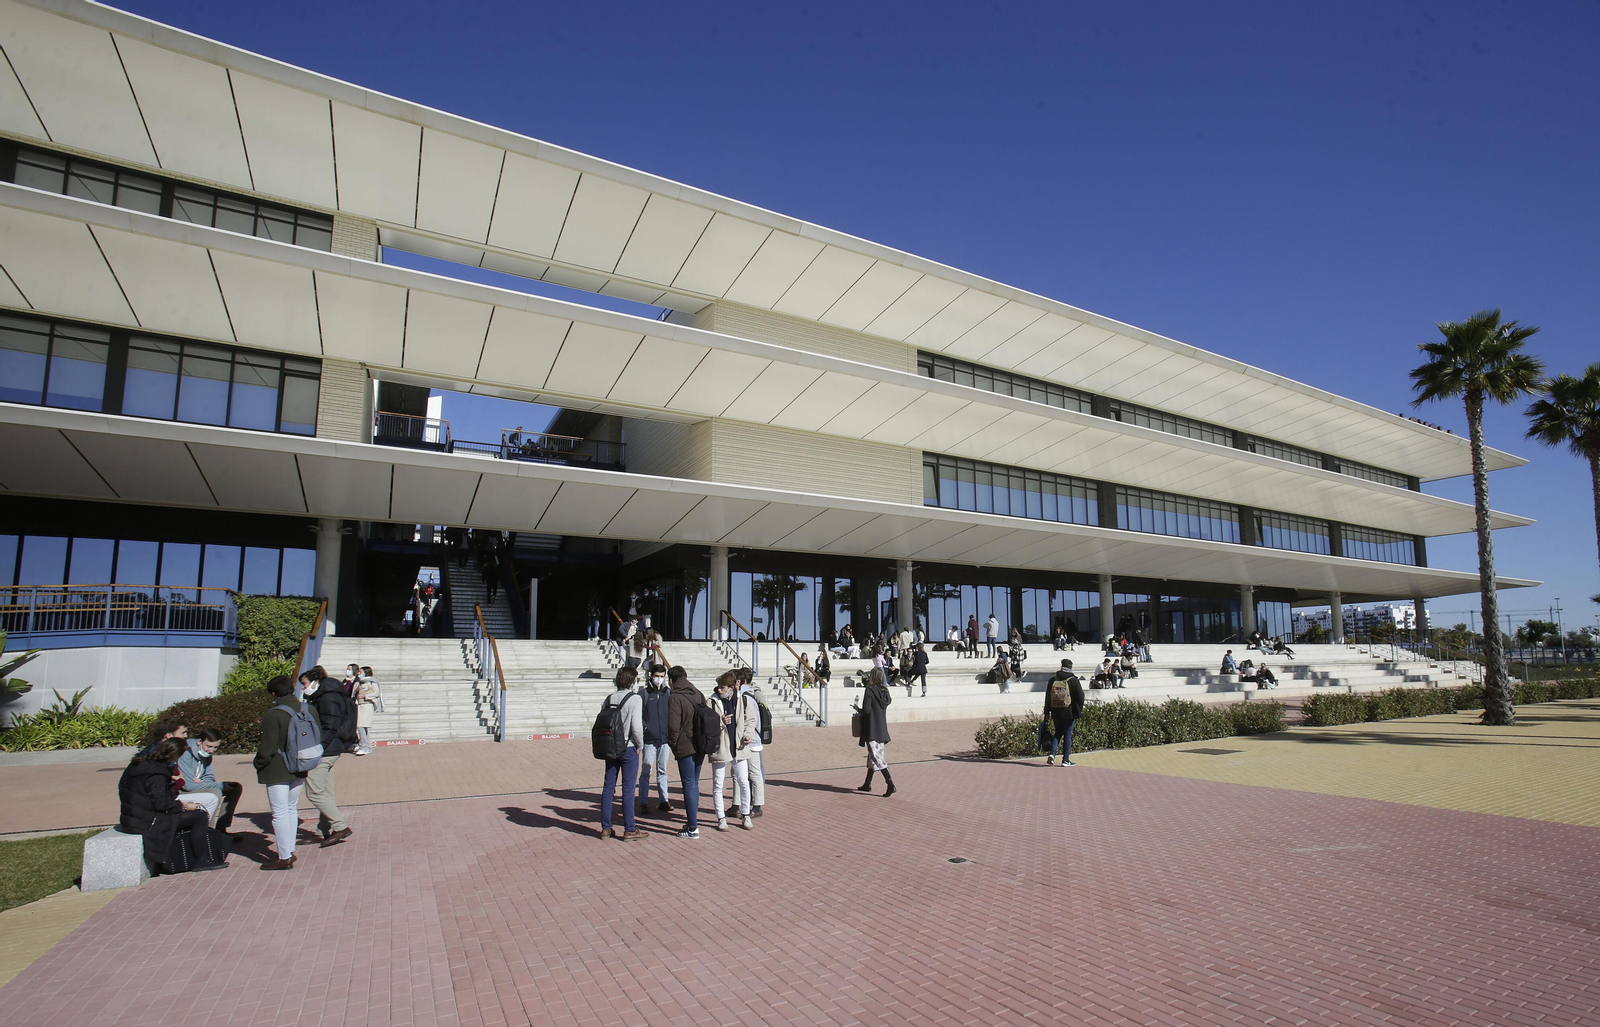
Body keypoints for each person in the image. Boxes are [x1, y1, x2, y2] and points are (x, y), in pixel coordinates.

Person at [118, 737, 227, 874]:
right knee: (199, 816)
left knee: (192, 815)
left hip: (133, 816)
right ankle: (201, 860)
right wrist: (184, 806)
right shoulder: (156, 774)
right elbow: (162, 804)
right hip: (146, 821)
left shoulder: (142, 764)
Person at [255, 674, 311, 870]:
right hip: (301, 764)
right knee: (291, 808)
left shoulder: (274, 714)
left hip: (278, 768)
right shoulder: (306, 709)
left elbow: (267, 748)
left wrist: (258, 763)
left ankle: (284, 856)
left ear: (273, 693)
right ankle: (289, 849)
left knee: (279, 811)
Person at [300, 667, 354, 848]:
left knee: (314, 791)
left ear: (315, 682)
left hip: (326, 749)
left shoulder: (327, 697)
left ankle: (340, 826)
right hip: (331, 748)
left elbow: (330, 724)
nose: (303, 688)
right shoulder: (328, 694)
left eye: (304, 684)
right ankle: (321, 830)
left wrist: (319, 747)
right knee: (325, 792)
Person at [598, 667, 646, 841]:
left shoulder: (609, 698)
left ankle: (605, 827)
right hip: (629, 746)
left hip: (611, 747)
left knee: (608, 787)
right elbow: (636, 727)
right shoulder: (635, 699)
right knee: (628, 789)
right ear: (632, 681)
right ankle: (629, 828)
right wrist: (640, 744)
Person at [707, 671, 754, 832]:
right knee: (718, 784)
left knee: (743, 782)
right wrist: (720, 721)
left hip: (738, 746)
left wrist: (748, 734)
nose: (719, 690)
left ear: (732, 687)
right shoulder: (712, 701)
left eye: (723, 687)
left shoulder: (743, 699)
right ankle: (721, 818)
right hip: (720, 747)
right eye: (719, 687)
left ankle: (746, 814)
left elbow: (750, 720)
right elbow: (707, 724)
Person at [666, 666, 706, 839]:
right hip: (701, 744)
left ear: (671, 680)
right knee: (694, 783)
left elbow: (673, 726)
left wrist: (673, 745)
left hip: (685, 745)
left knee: (688, 785)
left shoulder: (675, 697)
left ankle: (692, 827)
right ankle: (692, 820)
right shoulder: (698, 694)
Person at [176, 729, 242, 831]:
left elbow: (210, 777)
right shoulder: (186, 754)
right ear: (199, 742)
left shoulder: (207, 755)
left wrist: (203, 782)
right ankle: (208, 829)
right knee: (216, 792)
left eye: (215, 747)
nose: (211, 751)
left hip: (198, 785)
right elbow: (188, 785)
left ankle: (221, 828)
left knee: (235, 787)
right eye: (209, 746)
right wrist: (220, 786)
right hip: (183, 790)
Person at [636, 664, 673, 817]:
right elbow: (639, 715)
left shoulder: (668, 693)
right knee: (646, 769)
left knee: (662, 770)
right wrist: (645, 728)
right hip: (649, 739)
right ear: (651, 676)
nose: (659, 679)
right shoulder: (644, 693)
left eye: (662, 676)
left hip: (665, 739)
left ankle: (664, 799)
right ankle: (643, 801)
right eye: (656, 676)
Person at [855, 668, 895, 796]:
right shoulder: (885, 691)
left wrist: (859, 710)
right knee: (873, 756)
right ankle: (867, 783)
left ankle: (890, 783)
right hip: (881, 728)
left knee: (877, 757)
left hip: (871, 728)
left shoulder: (869, 690)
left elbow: (867, 710)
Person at [1041, 660, 1086, 766]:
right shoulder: (1073, 680)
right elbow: (1080, 697)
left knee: (1057, 733)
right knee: (1067, 735)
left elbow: (1048, 697)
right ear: (1070, 667)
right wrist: (1078, 709)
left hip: (1055, 711)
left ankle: (1052, 753)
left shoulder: (1053, 680)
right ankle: (1065, 760)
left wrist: (1047, 711)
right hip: (1069, 711)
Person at [737, 669, 766, 819]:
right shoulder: (746, 695)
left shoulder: (747, 697)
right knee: (741, 774)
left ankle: (757, 806)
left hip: (751, 740)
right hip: (750, 740)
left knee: (754, 773)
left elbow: (749, 720)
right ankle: (740, 804)